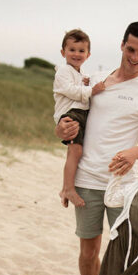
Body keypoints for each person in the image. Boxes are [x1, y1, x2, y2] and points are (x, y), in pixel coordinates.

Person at [56, 22, 138, 275]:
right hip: (86, 180)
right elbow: (70, 118)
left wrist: (133, 153)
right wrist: (60, 129)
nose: (134, 57)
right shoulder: (96, 81)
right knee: (89, 251)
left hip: (124, 186)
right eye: (130, 49)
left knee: (128, 253)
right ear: (121, 45)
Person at [52, 28, 106, 208]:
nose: (76, 54)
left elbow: (80, 86)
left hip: (80, 113)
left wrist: (87, 83)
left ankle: (68, 187)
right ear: (63, 52)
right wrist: (91, 90)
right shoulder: (63, 71)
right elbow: (71, 91)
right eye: (72, 50)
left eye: (81, 51)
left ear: (88, 54)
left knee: (78, 151)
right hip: (71, 113)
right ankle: (67, 188)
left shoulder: (81, 74)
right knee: (74, 151)